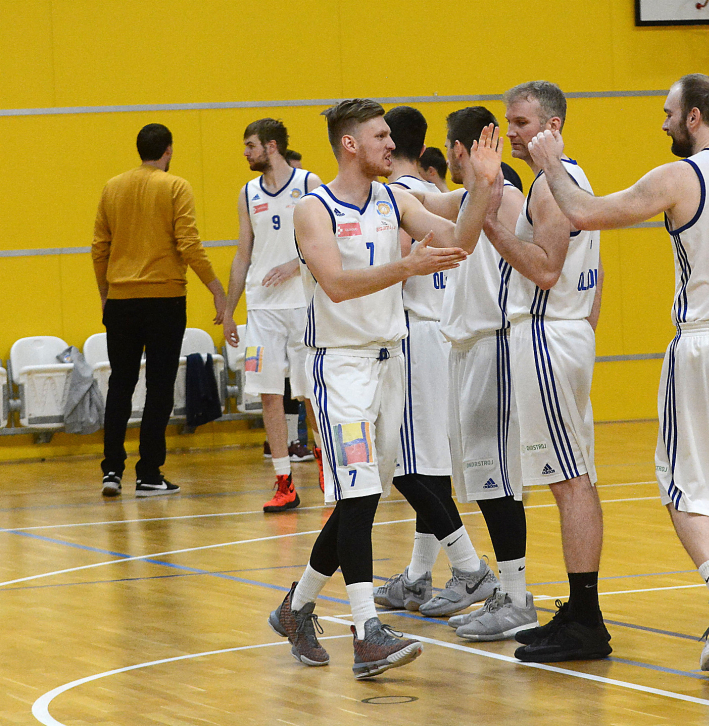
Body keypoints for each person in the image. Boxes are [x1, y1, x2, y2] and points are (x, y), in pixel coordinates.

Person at [528, 73, 709, 671]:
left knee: (683, 483)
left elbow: (588, 211)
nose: (661, 122)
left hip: (707, 343)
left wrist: (551, 164)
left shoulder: (680, 176)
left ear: (693, 118)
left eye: (667, 113)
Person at [267, 98, 501, 678]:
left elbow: (460, 242)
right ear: (350, 144)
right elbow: (339, 285)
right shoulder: (312, 209)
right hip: (338, 366)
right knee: (362, 493)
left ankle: (296, 609)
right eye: (379, 136)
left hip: (387, 362)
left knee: (360, 493)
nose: (390, 143)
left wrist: (486, 185)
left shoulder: (396, 197)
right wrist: (407, 268)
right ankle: (367, 631)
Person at [479, 82, 609, 662]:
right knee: (573, 476)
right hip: (567, 335)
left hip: (547, 335)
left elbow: (547, 269)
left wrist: (488, 227)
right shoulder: (564, 179)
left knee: (568, 480)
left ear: (552, 125)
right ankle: (582, 611)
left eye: (522, 122)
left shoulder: (554, 187)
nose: (511, 133)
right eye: (509, 122)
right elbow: (594, 282)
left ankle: (587, 620)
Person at [374, 105, 499, 620]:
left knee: (407, 468)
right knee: (427, 465)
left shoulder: (399, 198)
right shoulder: (433, 194)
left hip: (415, 336)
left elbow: (393, 269)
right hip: (442, 336)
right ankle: (419, 576)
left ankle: (469, 568)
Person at [93, 123, 227, 498]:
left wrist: (106, 293)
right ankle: (149, 473)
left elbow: (99, 247)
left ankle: (111, 471)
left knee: (120, 385)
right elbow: (189, 243)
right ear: (167, 151)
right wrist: (216, 289)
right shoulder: (175, 186)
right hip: (165, 301)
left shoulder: (112, 187)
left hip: (120, 301)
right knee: (159, 387)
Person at [222, 119, 323, 513]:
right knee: (268, 395)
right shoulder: (247, 193)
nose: (245, 153)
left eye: (250, 145)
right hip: (262, 308)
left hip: (302, 304)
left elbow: (324, 240)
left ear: (272, 146)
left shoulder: (310, 184)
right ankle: (284, 482)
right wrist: (229, 311)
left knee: (311, 393)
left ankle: (328, 472)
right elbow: (242, 254)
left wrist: (293, 264)